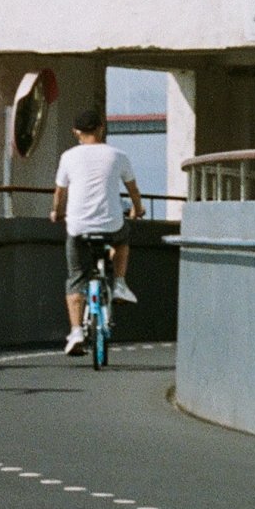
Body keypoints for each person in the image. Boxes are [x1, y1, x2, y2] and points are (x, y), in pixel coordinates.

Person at [52, 107, 143, 357]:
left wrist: (56, 213)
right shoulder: (118, 155)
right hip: (111, 225)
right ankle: (120, 283)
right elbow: (133, 190)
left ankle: (76, 332)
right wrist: (138, 209)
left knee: (76, 276)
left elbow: (60, 192)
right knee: (122, 238)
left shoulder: (68, 157)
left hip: (78, 227)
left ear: (76, 132)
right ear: (101, 129)